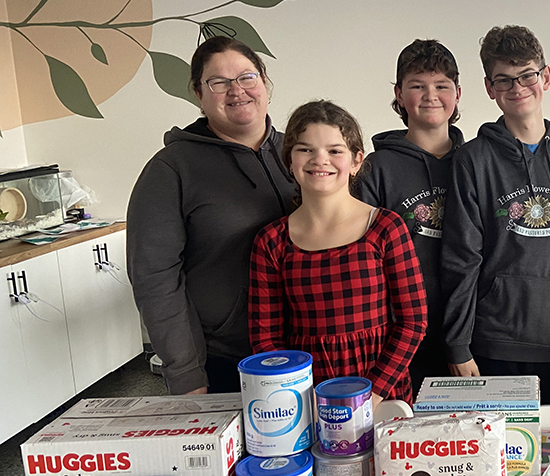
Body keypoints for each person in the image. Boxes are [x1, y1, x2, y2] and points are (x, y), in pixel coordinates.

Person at [441, 25, 550, 404]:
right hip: (491, 345)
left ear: (544, 76)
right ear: (489, 88)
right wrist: (457, 343)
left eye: (527, 75)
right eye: (504, 80)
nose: (517, 88)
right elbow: (462, 258)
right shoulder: (473, 160)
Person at [128, 36, 298, 395]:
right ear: (198, 93)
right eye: (218, 82)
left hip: (312, 352)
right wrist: (186, 373)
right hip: (225, 363)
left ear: (264, 82)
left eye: (247, 77)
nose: (237, 91)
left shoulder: (302, 153)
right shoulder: (171, 170)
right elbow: (155, 279)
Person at [249, 100, 427, 405]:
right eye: (305, 149)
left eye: (334, 150)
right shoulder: (271, 241)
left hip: (383, 396)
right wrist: (290, 397)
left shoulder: (385, 227)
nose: (320, 160)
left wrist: (371, 394)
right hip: (305, 400)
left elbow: (413, 321)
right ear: (288, 161)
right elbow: (265, 338)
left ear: (356, 160)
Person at [355, 39, 464, 395]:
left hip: (467, 331)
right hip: (397, 335)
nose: (430, 95)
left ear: (458, 93)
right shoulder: (376, 169)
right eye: (417, 85)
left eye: (441, 86)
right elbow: (362, 257)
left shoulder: (476, 162)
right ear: (400, 95)